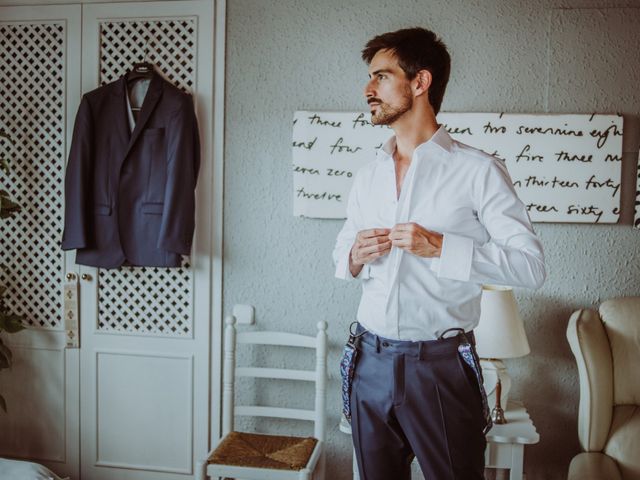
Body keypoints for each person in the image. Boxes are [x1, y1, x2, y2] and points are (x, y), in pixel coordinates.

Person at [333, 27, 545, 480]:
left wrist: (441, 248)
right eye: (369, 79)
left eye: (381, 77)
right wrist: (354, 254)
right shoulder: (366, 176)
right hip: (367, 359)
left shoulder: (479, 172)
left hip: (441, 369)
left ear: (420, 82)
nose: (368, 90)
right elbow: (340, 255)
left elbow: (531, 265)